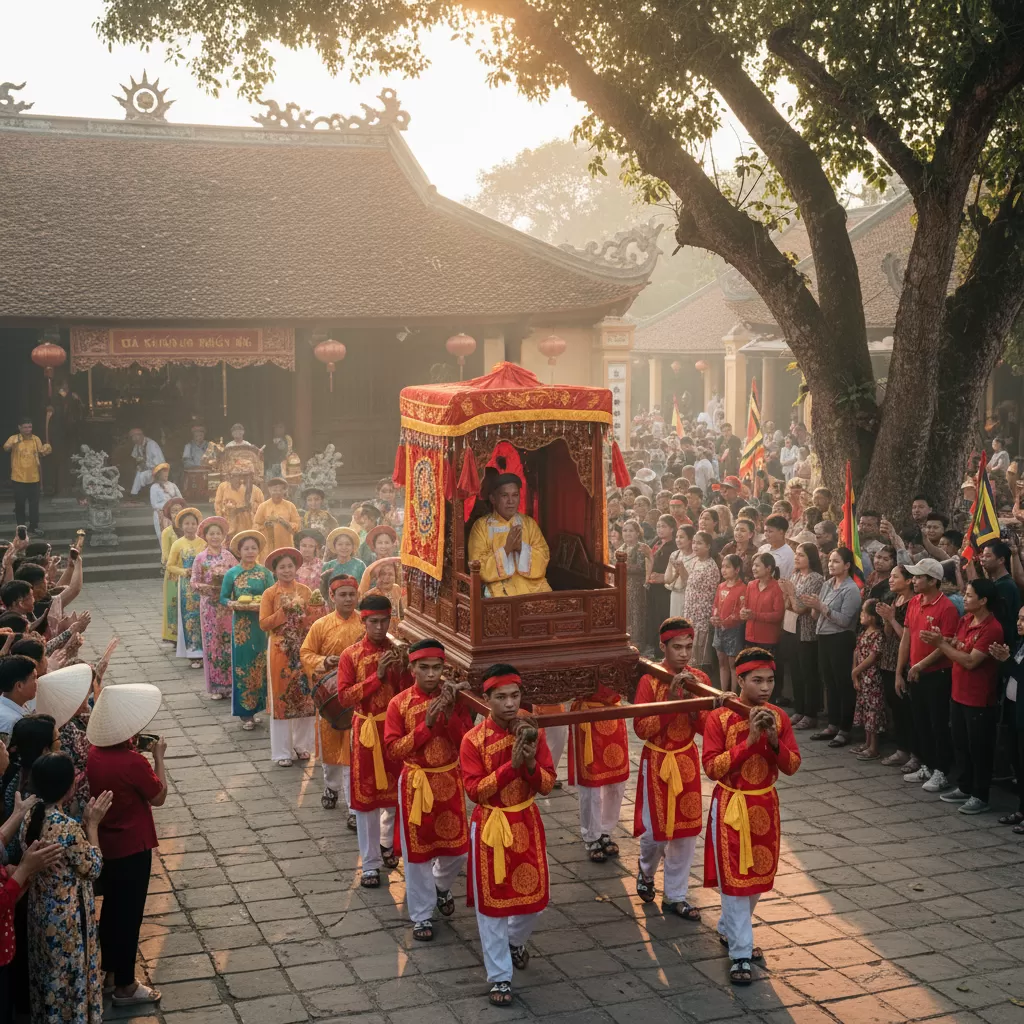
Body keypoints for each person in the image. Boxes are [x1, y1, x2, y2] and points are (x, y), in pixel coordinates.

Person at [702, 647, 801, 987]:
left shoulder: (779, 717)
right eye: (757, 680)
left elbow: (792, 766)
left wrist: (773, 740)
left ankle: (729, 928)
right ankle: (741, 954)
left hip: (765, 807)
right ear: (739, 679)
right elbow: (713, 767)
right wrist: (750, 741)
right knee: (735, 882)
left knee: (757, 879)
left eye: (770, 680)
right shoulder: (721, 718)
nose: (765, 687)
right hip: (732, 805)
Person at [460, 664, 555, 1007]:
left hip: (525, 822)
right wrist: (510, 767)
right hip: (490, 826)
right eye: (501, 697)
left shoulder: (533, 731)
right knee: (493, 907)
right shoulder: (473, 740)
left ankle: (515, 942)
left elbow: (546, 784)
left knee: (535, 901)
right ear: (486, 700)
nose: (510, 704)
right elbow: (475, 791)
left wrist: (530, 766)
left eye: (515, 696)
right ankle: (500, 976)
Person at [383, 638, 471, 941]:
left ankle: (440, 886)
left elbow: (467, 743)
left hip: (449, 780)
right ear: (412, 668)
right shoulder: (399, 703)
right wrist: (427, 725)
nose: (432, 674)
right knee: (417, 855)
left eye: (437, 668)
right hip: (415, 784)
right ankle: (421, 916)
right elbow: (393, 750)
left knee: (457, 850)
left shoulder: (457, 700)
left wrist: (449, 713)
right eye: (425, 668)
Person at [85, 683, 166, 1008]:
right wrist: (159, 759)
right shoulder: (133, 762)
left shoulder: (94, 754)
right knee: (129, 915)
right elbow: (158, 796)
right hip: (133, 846)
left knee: (113, 912)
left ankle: (108, 973)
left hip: (105, 841)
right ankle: (125, 985)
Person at [22, 753, 112, 1023]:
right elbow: (92, 867)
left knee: (48, 979)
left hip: (40, 910)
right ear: (68, 786)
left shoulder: (31, 815)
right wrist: (93, 825)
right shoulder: (66, 828)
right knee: (70, 982)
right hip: (69, 920)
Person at [633, 618, 710, 918]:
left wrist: (692, 706)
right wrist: (670, 701)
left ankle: (675, 895)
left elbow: (705, 727)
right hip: (657, 762)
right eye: (677, 647)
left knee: (685, 833)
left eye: (689, 647)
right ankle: (646, 870)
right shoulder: (649, 680)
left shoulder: (698, 678)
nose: (684, 654)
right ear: (663, 646)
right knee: (655, 833)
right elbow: (641, 728)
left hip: (686, 760)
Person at [337, 594, 411, 887]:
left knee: (396, 796)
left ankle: (388, 845)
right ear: (363, 620)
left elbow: (407, 694)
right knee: (366, 801)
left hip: (393, 733)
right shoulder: (350, 655)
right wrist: (377, 677)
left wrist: (401, 670)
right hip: (366, 733)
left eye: (384, 621)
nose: (379, 628)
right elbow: (344, 697)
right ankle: (369, 864)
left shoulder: (401, 654)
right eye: (373, 622)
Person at [922, 579, 1003, 814]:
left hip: (978, 698)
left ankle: (981, 795)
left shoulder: (992, 628)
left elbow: (969, 660)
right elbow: (957, 644)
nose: (964, 598)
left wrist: (941, 644)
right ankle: (966, 787)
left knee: (979, 748)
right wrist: (942, 640)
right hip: (958, 693)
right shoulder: (967, 619)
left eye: (969, 595)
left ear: (984, 600)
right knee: (961, 743)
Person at [301, 574, 364, 821]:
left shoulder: (365, 623)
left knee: (352, 750)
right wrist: (324, 661)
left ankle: (353, 808)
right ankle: (331, 785)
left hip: (356, 694)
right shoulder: (321, 625)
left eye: (352, 594)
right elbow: (306, 652)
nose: (348, 599)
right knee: (329, 745)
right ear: (332, 597)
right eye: (343, 595)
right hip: (329, 695)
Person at [896, 557, 960, 792]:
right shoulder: (914, 602)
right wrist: (899, 671)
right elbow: (906, 637)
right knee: (920, 722)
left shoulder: (947, 608)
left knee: (938, 723)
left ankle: (941, 770)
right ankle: (927, 764)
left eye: (919, 576)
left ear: (933, 581)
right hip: (915, 672)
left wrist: (920, 665)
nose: (914, 580)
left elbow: (944, 645)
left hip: (937, 674)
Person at [260, 548, 316, 768]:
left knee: (305, 697)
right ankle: (282, 751)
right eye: (281, 567)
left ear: (296, 568)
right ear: (275, 571)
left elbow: (313, 618)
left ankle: (303, 746)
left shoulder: (305, 590)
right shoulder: (270, 594)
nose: (286, 570)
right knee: (281, 700)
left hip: (303, 649)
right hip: (280, 650)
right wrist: (283, 612)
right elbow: (264, 623)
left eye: (289, 566)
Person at [804, 548, 862, 747]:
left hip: (841, 639)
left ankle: (845, 729)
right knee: (829, 681)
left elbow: (845, 621)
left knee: (843, 684)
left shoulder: (851, 589)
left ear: (847, 565)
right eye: (829, 561)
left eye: (836, 561)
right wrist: (813, 605)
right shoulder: (828, 584)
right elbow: (815, 615)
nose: (831, 565)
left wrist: (821, 607)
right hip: (824, 636)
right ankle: (833, 723)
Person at [220, 531, 275, 731]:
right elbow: (223, 597)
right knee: (243, 665)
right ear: (239, 551)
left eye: (254, 548)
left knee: (260, 665)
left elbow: (271, 596)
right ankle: (245, 714)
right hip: (241, 626)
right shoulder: (232, 573)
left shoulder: (265, 573)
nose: (250, 552)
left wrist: (263, 606)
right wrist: (234, 603)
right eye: (246, 548)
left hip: (260, 625)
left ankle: (258, 707)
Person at [467, 474, 551, 597]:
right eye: (504, 495)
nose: (511, 501)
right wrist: (506, 549)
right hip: (499, 589)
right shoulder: (481, 527)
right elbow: (478, 567)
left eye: (515, 495)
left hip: (533, 587)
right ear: (493, 499)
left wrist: (521, 548)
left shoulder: (529, 524)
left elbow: (544, 557)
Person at [190, 517, 237, 701]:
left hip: (226, 605)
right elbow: (193, 581)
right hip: (209, 606)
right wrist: (207, 588)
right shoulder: (200, 558)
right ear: (205, 536)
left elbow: (237, 577)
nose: (215, 537)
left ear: (223, 535)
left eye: (218, 533)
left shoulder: (229, 556)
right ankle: (216, 686)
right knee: (213, 643)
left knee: (229, 642)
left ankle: (232, 685)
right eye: (212, 534)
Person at [875, 566, 916, 769]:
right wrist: (886, 619)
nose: (890, 580)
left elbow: (908, 638)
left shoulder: (912, 604)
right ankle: (901, 748)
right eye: (890, 576)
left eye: (895, 576)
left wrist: (891, 618)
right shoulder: (895, 600)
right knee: (894, 705)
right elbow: (889, 633)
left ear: (909, 581)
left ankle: (911, 751)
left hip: (905, 661)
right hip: (889, 659)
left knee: (905, 708)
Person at [780, 544, 825, 730]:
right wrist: (788, 595)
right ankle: (799, 709)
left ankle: (810, 713)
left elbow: (800, 608)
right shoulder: (795, 575)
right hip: (791, 627)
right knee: (796, 671)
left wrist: (790, 593)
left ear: (811, 558)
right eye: (796, 555)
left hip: (807, 631)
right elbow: (788, 606)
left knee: (808, 674)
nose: (797, 558)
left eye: (801, 555)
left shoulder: (816, 579)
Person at [988, 605, 1024, 832]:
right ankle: (1021, 808)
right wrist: (1003, 660)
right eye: (1019, 618)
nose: (1019, 623)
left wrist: (1007, 661)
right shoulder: (1020, 644)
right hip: (1013, 711)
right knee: (1017, 762)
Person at [165, 508, 206, 670]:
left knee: (203, 616)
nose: (190, 527)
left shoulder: (203, 543)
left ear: (198, 525)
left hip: (202, 585)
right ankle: (194, 654)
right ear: (182, 526)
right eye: (187, 524)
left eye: (193, 523)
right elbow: (170, 566)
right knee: (190, 618)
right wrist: (184, 572)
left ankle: (205, 652)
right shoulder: (178, 544)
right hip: (186, 587)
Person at [4, 418, 51, 535]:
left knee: (34, 504)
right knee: (19, 504)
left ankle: (33, 526)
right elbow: (6, 447)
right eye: (25, 427)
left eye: (29, 427)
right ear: (19, 427)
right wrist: (14, 441)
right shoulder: (14, 438)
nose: (28, 430)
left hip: (33, 477)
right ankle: (21, 528)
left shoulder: (36, 439)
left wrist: (47, 448)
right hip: (18, 477)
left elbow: (42, 452)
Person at [851, 600, 885, 760]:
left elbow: (873, 657)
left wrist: (856, 671)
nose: (861, 615)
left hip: (872, 678)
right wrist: (855, 672)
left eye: (864, 612)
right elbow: (856, 653)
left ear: (872, 617)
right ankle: (866, 743)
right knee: (865, 710)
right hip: (862, 678)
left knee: (873, 712)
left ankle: (874, 747)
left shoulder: (877, 635)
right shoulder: (863, 633)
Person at [685, 531, 721, 673]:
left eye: (699, 543)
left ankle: (700, 672)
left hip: (702, 611)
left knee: (700, 644)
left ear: (708, 546)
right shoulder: (695, 561)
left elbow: (712, 593)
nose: (695, 545)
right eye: (694, 542)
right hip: (691, 609)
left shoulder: (711, 566)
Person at [741, 553, 785, 661]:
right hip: (750, 636)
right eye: (753, 565)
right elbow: (745, 607)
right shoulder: (751, 585)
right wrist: (742, 612)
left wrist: (755, 615)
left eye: (757, 565)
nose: (753, 568)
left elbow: (778, 615)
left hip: (768, 639)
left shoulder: (777, 587)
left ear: (768, 568)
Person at [712, 555, 747, 691]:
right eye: (722, 567)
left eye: (727, 567)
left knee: (733, 663)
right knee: (722, 661)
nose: (723, 570)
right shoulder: (721, 586)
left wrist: (726, 621)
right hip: (719, 628)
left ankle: (733, 694)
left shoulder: (742, 588)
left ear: (737, 569)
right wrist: (714, 617)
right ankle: (722, 691)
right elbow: (715, 605)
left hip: (733, 629)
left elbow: (740, 612)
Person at [645, 515, 678, 655]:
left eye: (663, 526)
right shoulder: (657, 542)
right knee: (653, 616)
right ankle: (654, 647)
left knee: (663, 617)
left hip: (665, 588)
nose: (660, 529)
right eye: (658, 526)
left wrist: (664, 577)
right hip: (653, 585)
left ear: (672, 529)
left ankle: (662, 650)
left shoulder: (674, 547)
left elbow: (674, 570)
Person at [618, 520, 651, 648]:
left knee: (636, 613)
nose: (627, 533)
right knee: (626, 613)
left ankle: (638, 643)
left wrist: (623, 567)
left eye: (631, 530)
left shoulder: (641, 548)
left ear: (638, 533)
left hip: (637, 586)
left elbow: (642, 567)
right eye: (625, 530)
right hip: (623, 586)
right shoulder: (621, 548)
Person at [254, 478, 301, 552]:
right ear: (269, 490)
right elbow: (256, 525)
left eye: (280, 490)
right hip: (268, 546)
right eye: (274, 490)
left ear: (284, 491)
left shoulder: (290, 506)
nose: (277, 493)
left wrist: (284, 523)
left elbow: (297, 525)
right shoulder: (263, 506)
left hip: (286, 544)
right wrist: (265, 526)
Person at [214, 468, 264, 535]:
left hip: (247, 524)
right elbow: (218, 505)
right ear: (228, 477)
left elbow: (262, 508)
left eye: (239, 475)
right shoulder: (223, 487)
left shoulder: (255, 490)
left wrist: (250, 507)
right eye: (233, 475)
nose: (236, 478)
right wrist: (221, 521)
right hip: (229, 523)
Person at [0, 655, 37, 743]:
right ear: (19, 686)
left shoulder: (20, 704)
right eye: (34, 678)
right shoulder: (10, 722)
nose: (37, 683)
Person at [664, 524, 696, 617]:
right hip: (675, 594)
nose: (678, 540)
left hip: (689, 596)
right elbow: (667, 579)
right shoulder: (674, 554)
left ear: (690, 539)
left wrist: (681, 570)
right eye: (677, 537)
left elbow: (690, 583)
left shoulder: (696, 557)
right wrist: (675, 574)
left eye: (681, 537)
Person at [148, 464, 182, 543]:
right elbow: (154, 504)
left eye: (167, 472)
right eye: (164, 472)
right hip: (161, 515)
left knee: (176, 538)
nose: (166, 474)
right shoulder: (154, 487)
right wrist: (167, 505)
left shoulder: (172, 485)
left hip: (174, 515)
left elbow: (180, 499)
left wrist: (175, 505)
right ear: (159, 474)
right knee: (164, 539)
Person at [128, 428, 164, 496]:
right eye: (133, 438)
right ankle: (135, 493)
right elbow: (135, 457)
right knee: (136, 472)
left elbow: (160, 461)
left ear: (141, 436)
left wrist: (151, 468)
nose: (135, 439)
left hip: (157, 469)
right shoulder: (138, 445)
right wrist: (139, 465)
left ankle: (134, 494)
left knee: (139, 475)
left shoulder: (151, 444)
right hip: (146, 469)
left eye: (136, 437)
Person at [758, 515, 794, 580]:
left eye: (770, 531)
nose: (766, 534)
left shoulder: (788, 555)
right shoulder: (762, 549)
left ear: (781, 532)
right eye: (765, 531)